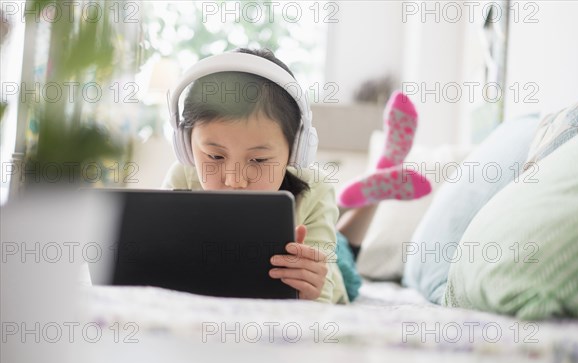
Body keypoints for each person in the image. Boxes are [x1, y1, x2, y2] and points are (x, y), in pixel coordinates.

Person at [162, 48, 431, 304]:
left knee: (344, 249)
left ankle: (379, 178)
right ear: (184, 145)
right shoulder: (183, 178)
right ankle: (362, 191)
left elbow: (322, 301)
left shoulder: (315, 188)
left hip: (333, 262)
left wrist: (310, 291)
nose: (235, 180)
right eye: (215, 156)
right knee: (331, 227)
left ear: (296, 152)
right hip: (315, 219)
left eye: (258, 160)